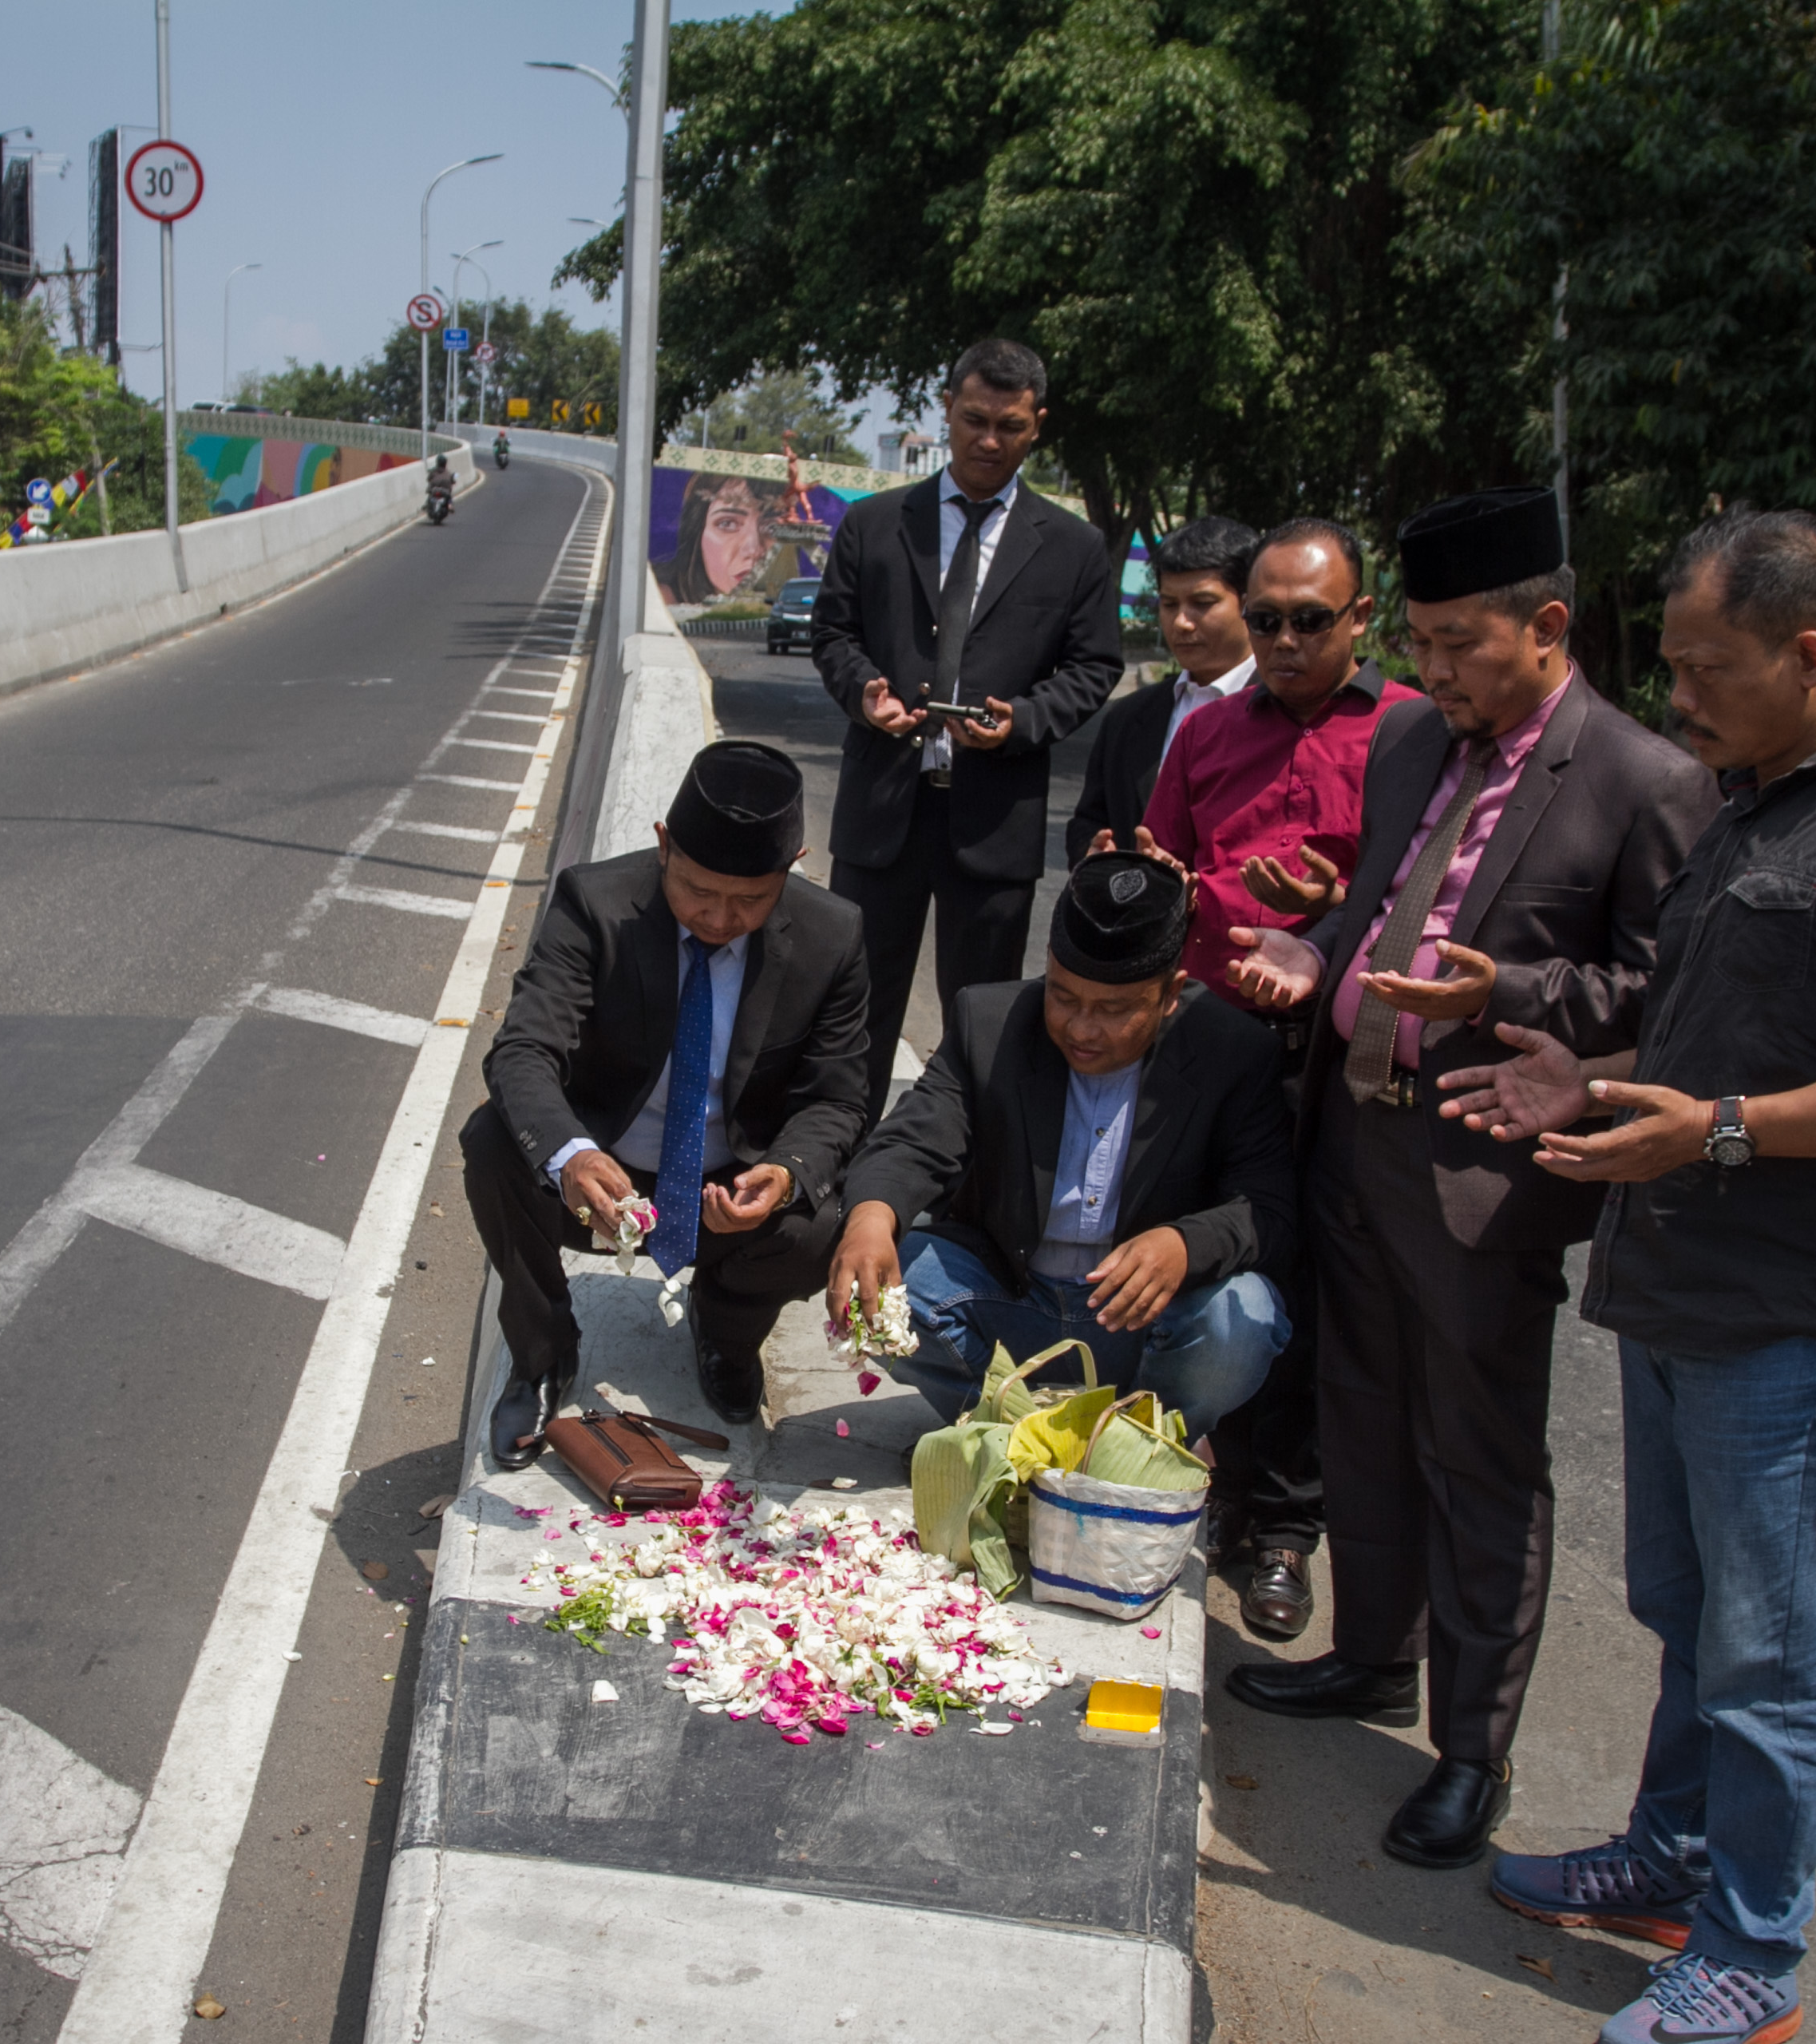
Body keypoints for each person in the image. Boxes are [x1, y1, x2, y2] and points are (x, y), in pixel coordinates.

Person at [1444, 509, 1816, 2044]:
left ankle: (1750, 1952)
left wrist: (1715, 1128)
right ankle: (1669, 1853)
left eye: (1704, 668)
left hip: (1798, 1311)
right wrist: (1598, 1074)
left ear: (1809, 652)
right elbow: (1735, 1039)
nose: (1678, 698)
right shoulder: (1747, 815)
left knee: (1774, 1651)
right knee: (1686, 1612)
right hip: (1681, 1288)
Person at [1218, 486, 1719, 1874]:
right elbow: (1382, 898)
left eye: (1456, 646)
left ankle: (1471, 1749)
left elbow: (1666, 991)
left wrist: (1519, 991)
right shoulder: (1409, 752)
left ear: (1546, 629)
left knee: (1480, 1456)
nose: (1428, 674)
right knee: (1363, 1420)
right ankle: (1371, 1657)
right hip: (1354, 1139)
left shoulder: (1640, 779)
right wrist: (1320, 950)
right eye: (1421, 646)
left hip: (1482, 1169)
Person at [1110, 515, 1427, 1637]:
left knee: (1320, 1284)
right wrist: (1150, 888)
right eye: (1267, 620)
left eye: (1309, 620)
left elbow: (1429, 895)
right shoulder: (1203, 735)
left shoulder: (1410, 731)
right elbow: (1165, 863)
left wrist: (1329, 920)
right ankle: (1187, 1482)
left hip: (1344, 1049)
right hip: (1210, 1037)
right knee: (1209, 1260)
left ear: (1361, 618)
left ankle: (1284, 1529)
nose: (1284, 640)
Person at [465, 741, 872, 1456]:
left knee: (826, 1217)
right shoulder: (594, 904)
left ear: (793, 864)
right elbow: (524, 1049)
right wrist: (571, 1154)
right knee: (496, 1142)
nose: (718, 917)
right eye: (697, 891)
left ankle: (727, 1328)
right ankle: (542, 1353)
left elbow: (837, 1099)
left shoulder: (832, 936)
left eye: (750, 899)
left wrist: (781, 1174)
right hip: (605, 1172)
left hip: (728, 1185)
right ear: (663, 845)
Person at [827, 851, 1296, 1438]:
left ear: (1171, 993)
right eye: (1064, 996)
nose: (1081, 1028)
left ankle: (1137, 1447)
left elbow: (1269, 1206)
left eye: (1113, 1009)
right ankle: (1008, 1433)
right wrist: (871, 1217)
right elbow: (915, 1136)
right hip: (1014, 1301)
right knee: (889, 1282)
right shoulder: (991, 1020)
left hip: (1143, 1321)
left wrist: (1184, 1244)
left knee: (1242, 1318)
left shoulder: (1233, 1051)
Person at [809, 339, 1126, 1116]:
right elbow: (833, 634)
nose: (989, 441)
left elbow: (1094, 667)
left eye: (1010, 426)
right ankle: (835, 1170)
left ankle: (956, 1179)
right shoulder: (877, 524)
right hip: (881, 810)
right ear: (946, 410)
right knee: (854, 1008)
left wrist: (1024, 721)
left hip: (994, 821)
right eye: (975, 419)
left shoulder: (1075, 548)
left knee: (981, 1016)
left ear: (1037, 426)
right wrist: (864, 696)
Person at [1062, 516, 1259, 869]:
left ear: (1250, 604)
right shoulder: (1127, 719)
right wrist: (1092, 854)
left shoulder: (1287, 712)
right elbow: (1088, 821)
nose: (1182, 622)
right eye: (1169, 605)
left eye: (1202, 603)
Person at [657, 472, 777, 603]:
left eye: (772, 527)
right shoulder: (656, 601)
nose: (753, 550)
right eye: (728, 523)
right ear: (698, 533)